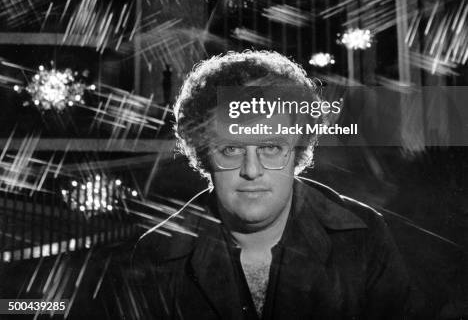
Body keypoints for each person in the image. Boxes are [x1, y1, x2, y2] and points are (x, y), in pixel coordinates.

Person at [104, 50, 412, 319]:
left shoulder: (365, 238)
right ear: (204, 155)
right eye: (231, 149)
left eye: (271, 148)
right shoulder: (156, 254)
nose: (251, 171)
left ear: (298, 151)